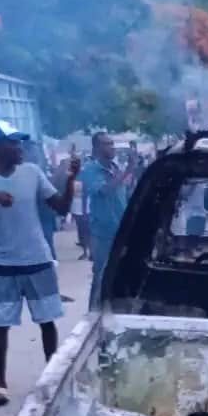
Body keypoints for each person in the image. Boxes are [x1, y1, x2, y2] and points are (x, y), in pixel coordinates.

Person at [0, 121, 78, 408]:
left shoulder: (32, 172)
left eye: (19, 143)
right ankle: (1, 383)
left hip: (38, 260)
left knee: (47, 322)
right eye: (13, 143)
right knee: (1, 325)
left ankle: (51, 378)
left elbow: (61, 208)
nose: (19, 148)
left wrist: (70, 181)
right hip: (3, 263)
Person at [81, 132, 128, 308]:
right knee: (100, 275)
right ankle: (93, 311)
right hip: (102, 233)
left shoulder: (116, 168)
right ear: (97, 148)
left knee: (121, 272)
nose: (112, 147)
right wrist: (128, 171)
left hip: (121, 230)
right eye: (107, 144)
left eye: (112, 143)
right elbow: (104, 191)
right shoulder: (90, 170)